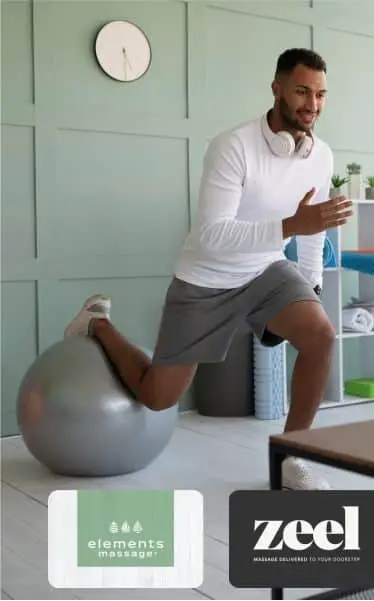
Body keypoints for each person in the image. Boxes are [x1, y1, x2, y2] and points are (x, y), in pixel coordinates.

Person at [63, 48, 352, 491]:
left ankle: (292, 456)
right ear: (276, 89)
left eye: (321, 94)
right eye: (301, 91)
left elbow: (315, 229)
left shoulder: (320, 155)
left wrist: (308, 285)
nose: (312, 104)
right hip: (207, 279)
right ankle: (98, 325)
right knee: (158, 396)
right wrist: (294, 225)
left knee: (321, 335)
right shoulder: (232, 146)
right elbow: (214, 235)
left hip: (267, 270)